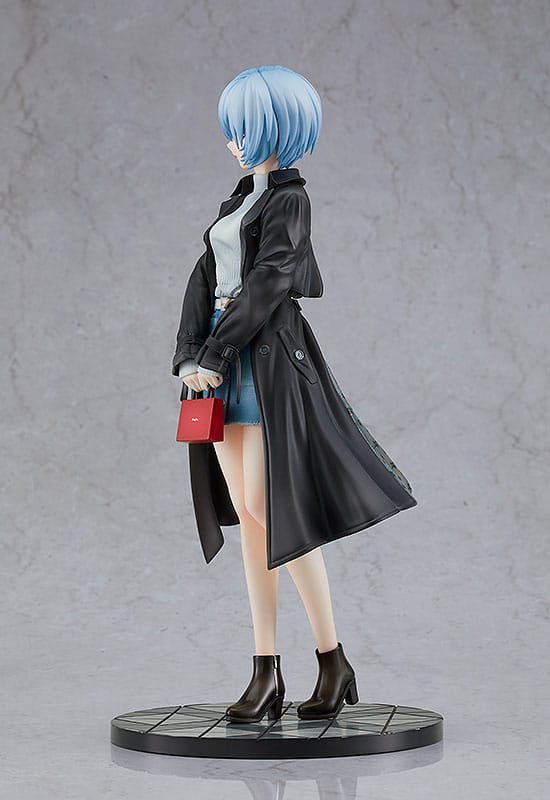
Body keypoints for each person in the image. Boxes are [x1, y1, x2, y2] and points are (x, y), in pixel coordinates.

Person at [172, 66, 417, 724]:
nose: (233, 142)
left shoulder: (289, 201)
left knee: (270, 508)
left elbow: (271, 280)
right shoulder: (237, 200)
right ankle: (265, 669)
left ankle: (332, 657)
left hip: (266, 363)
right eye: (230, 130)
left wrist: (215, 352)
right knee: (251, 519)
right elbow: (204, 278)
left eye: (243, 129)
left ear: (275, 129)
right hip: (220, 366)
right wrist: (188, 354)